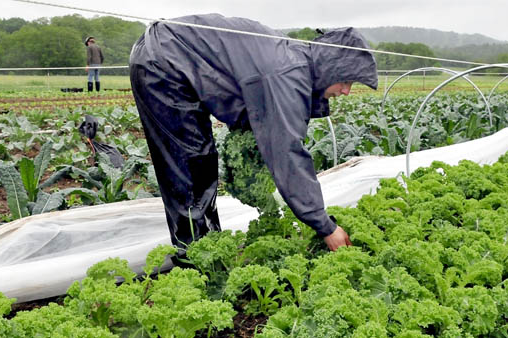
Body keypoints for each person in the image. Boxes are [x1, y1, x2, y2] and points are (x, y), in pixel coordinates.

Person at [129, 14, 377, 252]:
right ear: (332, 69)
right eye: (347, 82)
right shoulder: (288, 73)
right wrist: (326, 227)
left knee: (200, 164)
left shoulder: (295, 62)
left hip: (170, 53)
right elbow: (288, 154)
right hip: (163, 61)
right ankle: (196, 262)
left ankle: (208, 249)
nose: (346, 92)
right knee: (188, 171)